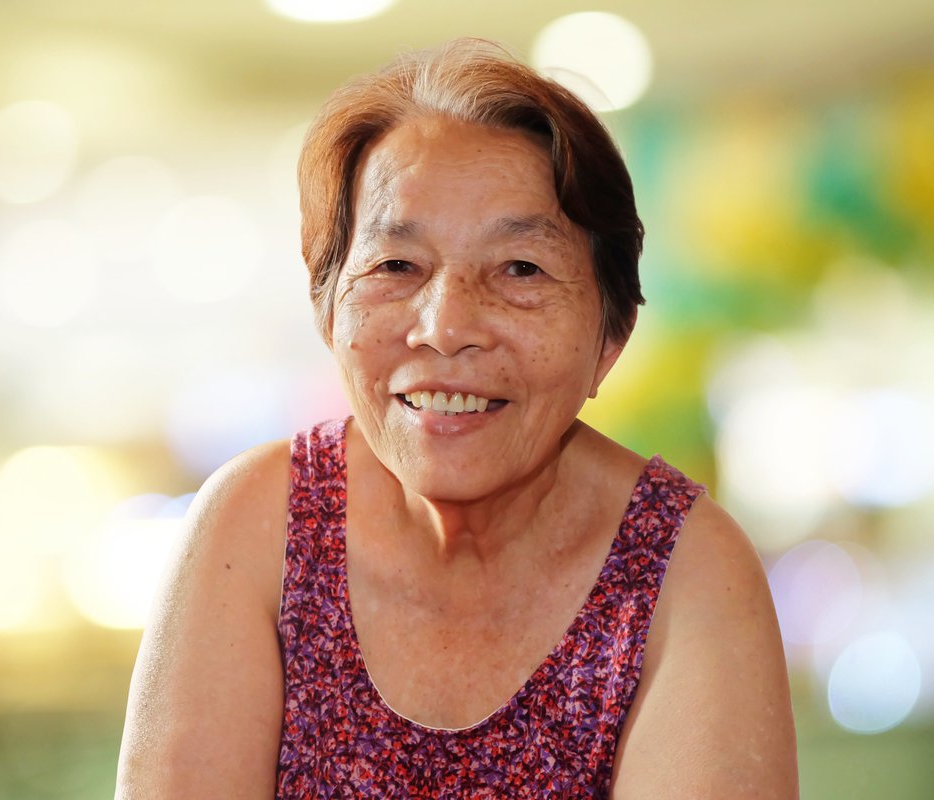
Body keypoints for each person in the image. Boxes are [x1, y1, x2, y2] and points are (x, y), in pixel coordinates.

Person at [115, 39, 797, 798]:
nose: (445, 327)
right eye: (396, 266)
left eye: (521, 269)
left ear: (610, 336)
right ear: (328, 311)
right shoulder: (259, 525)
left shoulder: (685, 568)